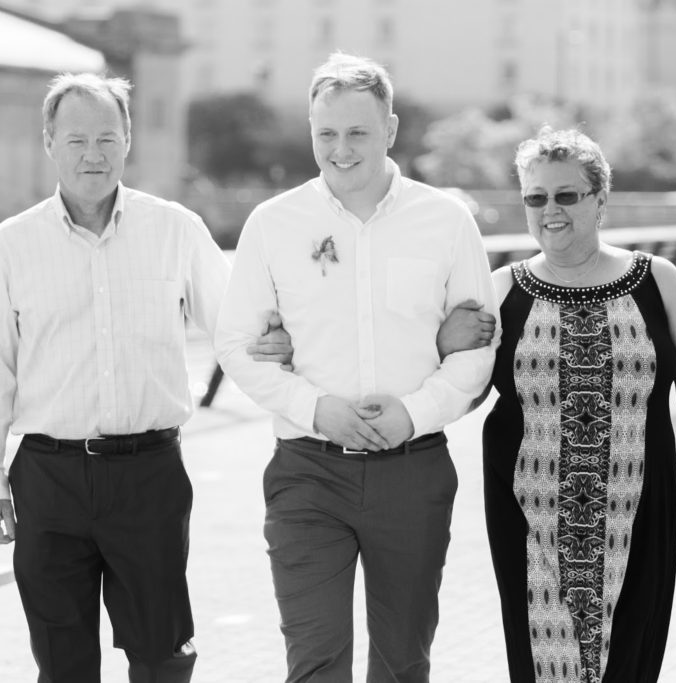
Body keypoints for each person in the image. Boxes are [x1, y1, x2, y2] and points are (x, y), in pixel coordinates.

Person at [0, 72, 290, 683]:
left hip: (149, 476)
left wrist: (301, 360)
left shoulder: (177, 230)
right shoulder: (7, 247)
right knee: (63, 664)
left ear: (128, 140)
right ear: (50, 143)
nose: (94, 154)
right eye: (77, 139)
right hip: (47, 480)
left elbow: (238, 333)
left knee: (164, 654)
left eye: (108, 137)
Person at [439, 127, 676, 682]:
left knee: (627, 662)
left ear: (600, 199)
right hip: (530, 516)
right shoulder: (502, 288)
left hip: (637, 511)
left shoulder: (657, 280)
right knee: (546, 664)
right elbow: (465, 394)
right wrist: (443, 346)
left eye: (566, 195)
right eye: (535, 197)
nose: (549, 209)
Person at [213, 53, 499, 682]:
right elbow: (235, 343)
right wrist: (319, 410)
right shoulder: (274, 224)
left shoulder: (446, 220)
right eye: (326, 134)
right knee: (314, 661)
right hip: (307, 475)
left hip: (414, 471)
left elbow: (479, 347)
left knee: (403, 663)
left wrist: (413, 413)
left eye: (358, 132)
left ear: (390, 130)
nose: (341, 150)